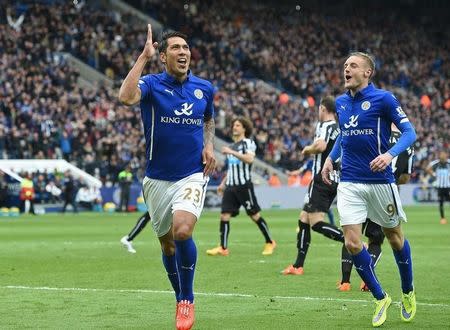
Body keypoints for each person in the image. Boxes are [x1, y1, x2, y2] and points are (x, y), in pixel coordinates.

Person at [118, 25, 216, 330]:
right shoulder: (151, 84)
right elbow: (125, 96)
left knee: (183, 231)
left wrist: (209, 144)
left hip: (191, 175)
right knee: (168, 246)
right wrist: (142, 58)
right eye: (176, 48)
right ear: (163, 56)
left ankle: (187, 299)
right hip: (156, 179)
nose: (183, 52)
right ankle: (178, 297)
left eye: (186, 48)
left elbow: (209, 119)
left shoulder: (204, 88)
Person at [322, 52, 417, 327]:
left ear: (367, 73)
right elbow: (343, 133)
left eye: (353, 66)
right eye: (344, 66)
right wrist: (330, 157)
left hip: (380, 181)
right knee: (352, 243)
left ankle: (408, 292)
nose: (346, 69)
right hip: (349, 182)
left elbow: (410, 133)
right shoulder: (340, 102)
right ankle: (380, 297)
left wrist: (389, 155)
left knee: (395, 239)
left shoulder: (383, 99)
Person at [339, 124, 415, 292]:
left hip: (359, 187)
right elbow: (405, 177)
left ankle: (345, 281)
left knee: (351, 237)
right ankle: (368, 280)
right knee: (378, 240)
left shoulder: (372, 131)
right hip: (384, 193)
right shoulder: (406, 143)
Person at [281, 96, 343, 276]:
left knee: (315, 223)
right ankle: (298, 265)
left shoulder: (326, 125)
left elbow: (321, 146)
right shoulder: (337, 127)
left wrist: (308, 149)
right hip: (330, 177)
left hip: (322, 177)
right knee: (303, 219)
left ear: (323, 109)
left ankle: (353, 241)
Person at [206, 117, 276, 256]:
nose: (234, 127)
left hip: (244, 186)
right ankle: (223, 248)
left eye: (238, 125)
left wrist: (232, 153)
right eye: (233, 125)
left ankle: (270, 242)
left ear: (244, 128)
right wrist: (222, 183)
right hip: (231, 186)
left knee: (254, 215)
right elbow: (232, 168)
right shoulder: (232, 146)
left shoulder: (248, 143)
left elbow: (250, 159)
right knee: (224, 215)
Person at [426, 151, 450, 224]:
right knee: (441, 203)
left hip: (448, 186)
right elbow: (427, 168)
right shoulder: (436, 163)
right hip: (440, 187)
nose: (442, 156)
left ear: (446, 155)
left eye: (444, 155)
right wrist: (433, 174)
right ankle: (442, 218)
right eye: (441, 155)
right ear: (439, 156)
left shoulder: (449, 163)